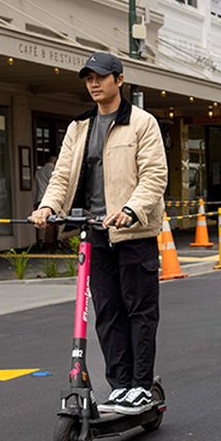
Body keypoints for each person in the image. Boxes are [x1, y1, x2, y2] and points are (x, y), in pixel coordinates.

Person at [31, 53, 167, 414]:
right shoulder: (79, 127)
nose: (94, 84)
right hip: (94, 232)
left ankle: (140, 384)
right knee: (107, 311)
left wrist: (130, 210)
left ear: (119, 80)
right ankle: (120, 385)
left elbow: (154, 176)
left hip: (133, 232)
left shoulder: (141, 123)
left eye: (101, 77)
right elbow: (61, 176)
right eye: (88, 78)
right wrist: (48, 206)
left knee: (139, 310)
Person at [33, 151, 59, 250]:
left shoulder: (38, 172)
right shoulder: (53, 169)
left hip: (39, 198)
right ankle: (50, 243)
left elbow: (35, 186)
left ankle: (40, 241)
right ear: (54, 159)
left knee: (39, 221)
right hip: (49, 199)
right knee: (50, 223)